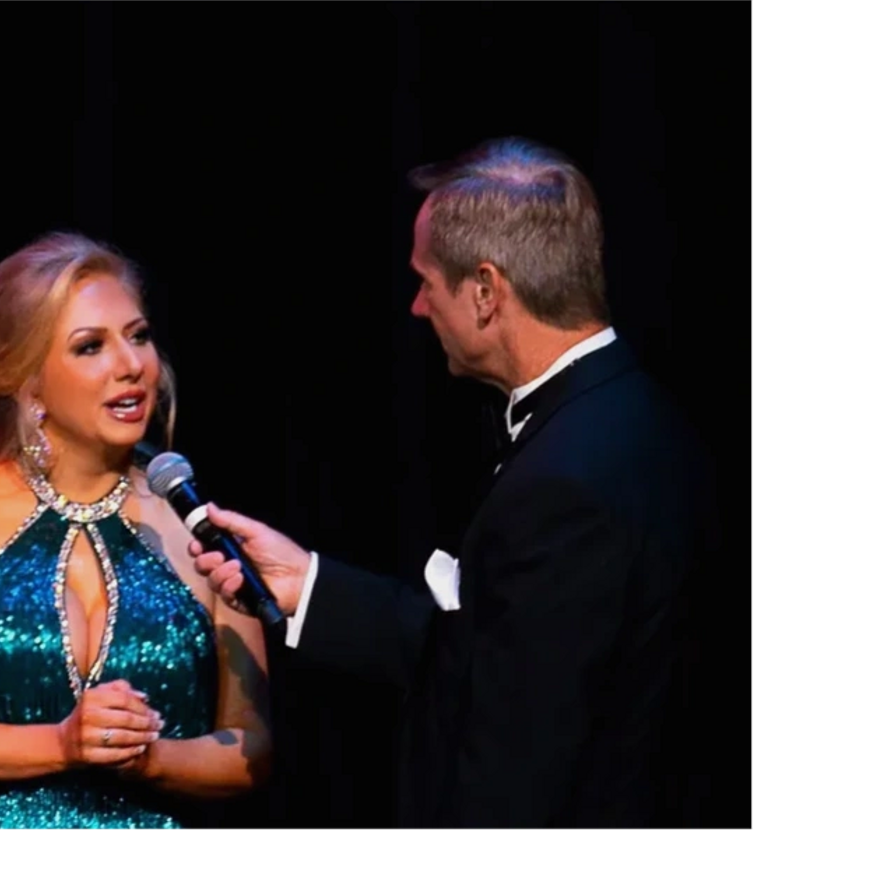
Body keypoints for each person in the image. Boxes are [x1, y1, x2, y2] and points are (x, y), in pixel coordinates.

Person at [190, 136, 716, 830]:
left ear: (487, 292)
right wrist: (307, 583)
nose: (416, 307)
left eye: (426, 281)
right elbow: (494, 653)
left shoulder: (567, 483)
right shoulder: (628, 416)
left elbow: (516, 763)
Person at [0, 231, 271, 830]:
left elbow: (250, 750)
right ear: (27, 383)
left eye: (139, 336)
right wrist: (61, 743)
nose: (132, 366)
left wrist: (147, 757)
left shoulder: (196, 528)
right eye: (90, 347)